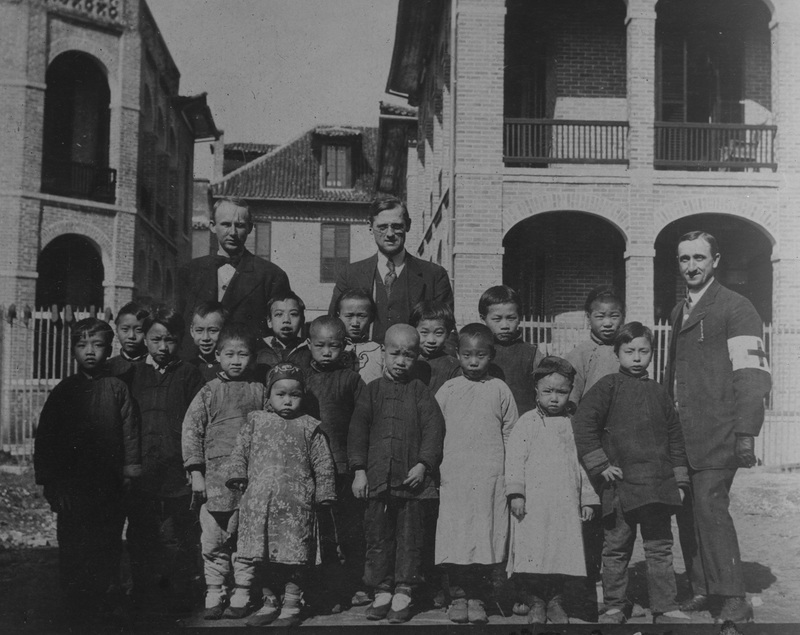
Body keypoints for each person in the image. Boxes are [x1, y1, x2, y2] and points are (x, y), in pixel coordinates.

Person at [665, 231, 771, 624]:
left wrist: (746, 432)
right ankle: (703, 588)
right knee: (689, 512)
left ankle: (732, 596)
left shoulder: (737, 307)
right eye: (684, 259)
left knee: (711, 509)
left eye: (699, 258)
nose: (691, 266)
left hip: (720, 432)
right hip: (684, 434)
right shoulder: (679, 312)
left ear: (716, 260)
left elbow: (752, 374)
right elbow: (672, 373)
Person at [573, 323, 691, 625]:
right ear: (618, 353)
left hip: (657, 486)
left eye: (643, 351)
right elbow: (584, 423)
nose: (637, 357)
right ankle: (614, 606)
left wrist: (679, 480)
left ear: (652, 354)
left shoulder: (660, 392)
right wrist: (600, 465)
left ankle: (664, 607)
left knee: (660, 547)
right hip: (620, 486)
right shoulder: (608, 386)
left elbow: (675, 436)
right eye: (629, 351)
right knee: (616, 549)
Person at [34, 318, 140, 624]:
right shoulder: (64, 391)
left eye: (97, 345)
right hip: (73, 488)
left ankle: (104, 600)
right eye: (82, 345)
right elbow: (47, 438)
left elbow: (130, 432)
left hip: (109, 486)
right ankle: (75, 605)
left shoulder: (118, 390)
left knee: (106, 542)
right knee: (73, 544)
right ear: (73, 351)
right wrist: (51, 483)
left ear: (109, 349)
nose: (89, 352)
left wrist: (130, 472)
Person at [226, 363, 337, 628]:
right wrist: (238, 475)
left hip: (295, 508)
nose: (287, 401)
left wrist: (325, 492)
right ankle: (269, 601)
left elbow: (323, 463)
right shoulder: (256, 422)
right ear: (269, 396)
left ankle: (291, 603)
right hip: (259, 505)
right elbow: (240, 451)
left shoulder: (310, 427)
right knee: (260, 556)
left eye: (294, 395)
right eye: (281, 394)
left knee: (293, 556)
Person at [348, 324, 445, 624]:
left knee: (409, 536)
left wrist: (423, 465)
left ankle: (404, 591)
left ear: (416, 357)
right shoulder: (371, 390)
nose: (401, 361)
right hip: (377, 479)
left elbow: (434, 431)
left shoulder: (420, 392)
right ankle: (382, 590)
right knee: (377, 534)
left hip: (410, 481)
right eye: (395, 354)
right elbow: (358, 431)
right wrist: (359, 471)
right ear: (384, 354)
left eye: (408, 355)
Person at [181, 324, 268, 620]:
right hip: (215, 483)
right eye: (229, 354)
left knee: (246, 539)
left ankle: (242, 591)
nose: (235, 361)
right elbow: (192, 431)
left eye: (242, 355)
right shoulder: (208, 392)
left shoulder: (260, 391)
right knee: (214, 540)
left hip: (250, 482)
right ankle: (215, 591)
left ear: (253, 359)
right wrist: (196, 473)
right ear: (217, 356)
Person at [435, 323, 518, 625]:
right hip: (455, 476)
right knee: (457, 536)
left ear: (491, 356)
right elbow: (435, 430)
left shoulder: (499, 389)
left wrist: (510, 472)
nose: (473, 362)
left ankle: (478, 597)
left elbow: (511, 432)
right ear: (457, 354)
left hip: (489, 478)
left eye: (480, 355)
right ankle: (458, 596)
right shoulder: (448, 389)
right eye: (467, 355)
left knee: (485, 537)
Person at [506, 356, 597, 625]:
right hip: (533, 506)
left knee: (561, 552)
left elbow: (584, 464)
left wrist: (588, 499)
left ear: (571, 391)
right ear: (536, 391)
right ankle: (536, 601)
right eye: (548, 391)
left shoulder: (574, 425)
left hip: (564, 506)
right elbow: (514, 459)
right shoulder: (526, 423)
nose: (554, 398)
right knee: (533, 551)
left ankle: (557, 601)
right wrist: (516, 493)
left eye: (561, 392)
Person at [127, 306, 205, 609]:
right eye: (156, 339)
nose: (163, 347)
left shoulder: (188, 374)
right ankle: (143, 593)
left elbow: (199, 422)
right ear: (145, 339)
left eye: (170, 340)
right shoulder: (133, 373)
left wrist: (194, 466)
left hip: (176, 471)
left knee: (178, 534)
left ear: (180, 340)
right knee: (141, 533)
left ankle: (177, 595)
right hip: (142, 470)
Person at [565, 285, 625, 613]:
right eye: (600, 316)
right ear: (588, 318)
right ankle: (587, 584)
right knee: (590, 514)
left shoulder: (626, 351)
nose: (607, 322)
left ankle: (611, 584)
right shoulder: (580, 354)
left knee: (616, 517)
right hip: (590, 448)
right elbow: (571, 404)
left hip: (621, 448)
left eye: (614, 315)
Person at [302, 316, 369, 612]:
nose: (327, 352)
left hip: (343, 468)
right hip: (312, 470)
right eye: (320, 346)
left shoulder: (352, 380)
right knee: (322, 532)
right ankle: (326, 590)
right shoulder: (302, 380)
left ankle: (353, 585)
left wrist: (358, 467)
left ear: (345, 346)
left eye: (334, 346)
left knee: (350, 530)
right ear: (309, 345)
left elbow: (362, 423)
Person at [328, 196, 453, 343]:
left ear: (408, 225)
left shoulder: (434, 275)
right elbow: (332, 328)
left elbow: (448, 333)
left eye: (396, 226)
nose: (389, 234)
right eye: (382, 227)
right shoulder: (350, 275)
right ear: (370, 226)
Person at [179, 197, 291, 353]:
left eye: (239, 226)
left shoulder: (271, 276)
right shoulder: (189, 272)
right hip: (196, 368)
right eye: (225, 224)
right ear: (212, 226)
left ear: (250, 228)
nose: (232, 232)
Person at [480, 285, 544, 415]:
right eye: (497, 319)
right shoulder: (477, 352)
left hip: (522, 423)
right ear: (483, 319)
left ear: (519, 318)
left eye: (511, 318)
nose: (505, 326)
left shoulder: (531, 353)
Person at [255, 292, 312, 377]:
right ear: (269, 321)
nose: (286, 320)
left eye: (293, 314)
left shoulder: (309, 350)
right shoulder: (259, 350)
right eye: (279, 314)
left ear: (302, 320)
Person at [410, 300, 461, 395]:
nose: (431, 340)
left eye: (438, 333)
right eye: (424, 332)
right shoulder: (408, 360)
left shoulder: (454, 367)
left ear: (448, 334)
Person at [336, 288, 383, 384]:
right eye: (349, 316)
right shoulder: (332, 348)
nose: (355, 323)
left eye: (361, 316)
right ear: (339, 316)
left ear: (371, 317)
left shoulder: (378, 351)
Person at [187, 301, 227, 381]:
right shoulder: (188, 367)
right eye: (199, 330)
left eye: (213, 330)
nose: (205, 338)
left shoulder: (229, 367)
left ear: (225, 331)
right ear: (192, 331)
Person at [107, 301, 149, 377]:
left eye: (139, 330)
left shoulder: (155, 366)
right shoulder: (108, 367)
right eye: (125, 329)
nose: (131, 336)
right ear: (117, 330)